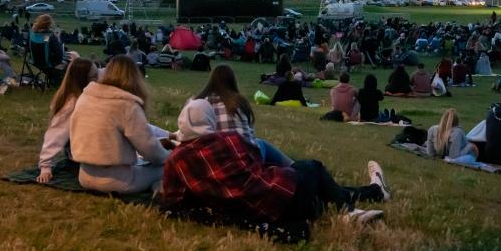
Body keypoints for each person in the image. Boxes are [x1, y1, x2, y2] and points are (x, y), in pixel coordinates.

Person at [162, 102, 390, 226]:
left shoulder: (176, 161)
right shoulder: (228, 139)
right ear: (210, 120)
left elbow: (173, 202)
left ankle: (374, 191)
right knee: (313, 167)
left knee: (320, 192)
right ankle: (349, 211)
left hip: (251, 215)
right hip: (279, 196)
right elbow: (256, 160)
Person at [69, 55, 171, 194]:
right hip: (118, 182)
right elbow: (150, 150)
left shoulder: (85, 97)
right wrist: (168, 156)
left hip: (84, 176)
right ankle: (159, 186)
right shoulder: (127, 105)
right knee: (170, 166)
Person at [195, 64, 292, 166]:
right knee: (261, 144)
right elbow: (249, 135)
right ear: (232, 81)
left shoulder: (198, 104)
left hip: (213, 160)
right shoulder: (238, 102)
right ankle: (295, 166)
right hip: (245, 160)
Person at [36, 58, 98, 183]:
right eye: (94, 77)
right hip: (84, 154)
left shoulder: (88, 95)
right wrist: (45, 166)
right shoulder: (72, 104)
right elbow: (55, 134)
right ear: (83, 80)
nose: (98, 79)